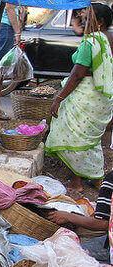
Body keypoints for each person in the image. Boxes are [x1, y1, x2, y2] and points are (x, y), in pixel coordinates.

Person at [45, 3, 113, 192]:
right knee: (92, 139)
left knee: (73, 135)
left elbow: (77, 75)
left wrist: (58, 98)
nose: (83, 15)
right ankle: (97, 177)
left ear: (99, 22)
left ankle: (76, 182)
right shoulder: (105, 38)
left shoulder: (91, 42)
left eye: (87, 14)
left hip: (88, 95)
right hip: (103, 98)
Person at [47, 170, 113, 263]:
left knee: (64, 257)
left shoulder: (111, 180)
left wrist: (68, 216)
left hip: (110, 245)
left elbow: (103, 224)